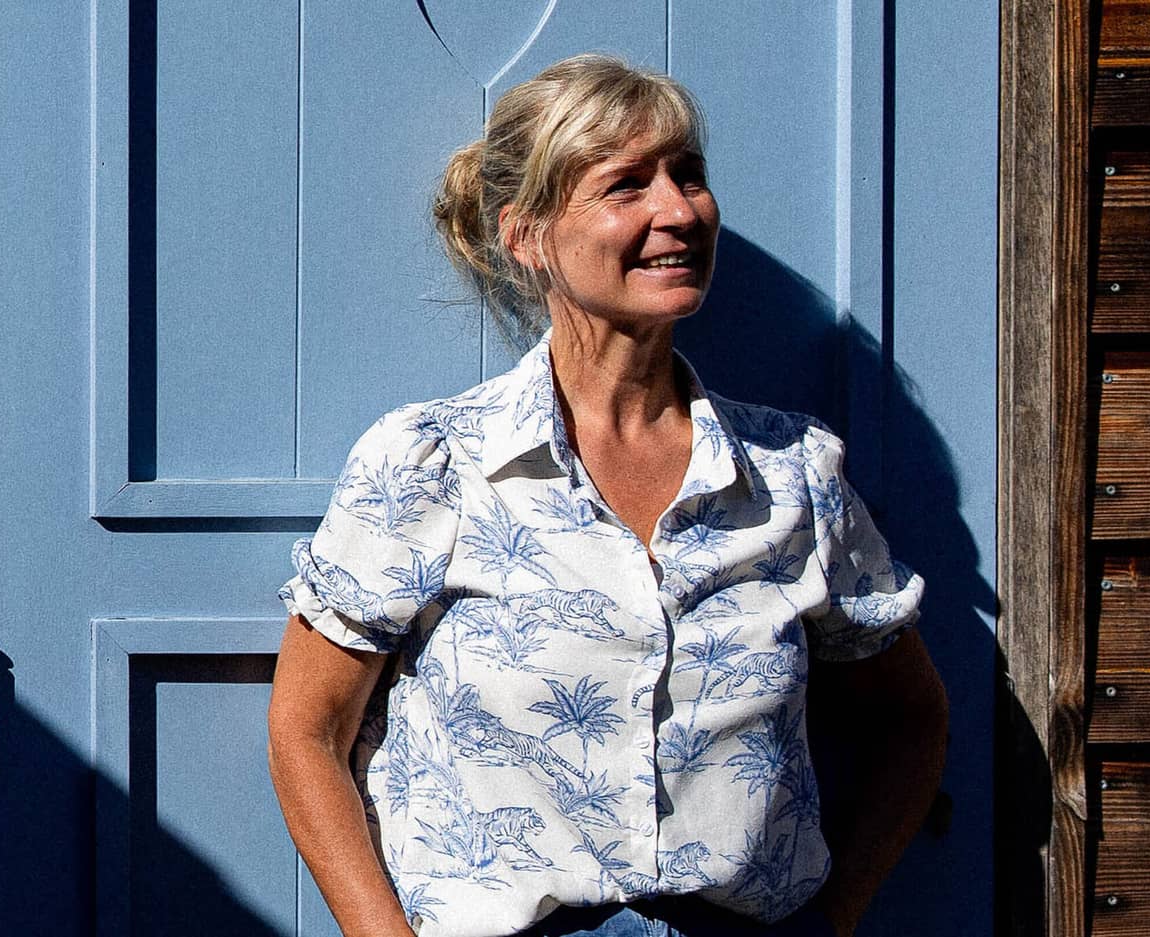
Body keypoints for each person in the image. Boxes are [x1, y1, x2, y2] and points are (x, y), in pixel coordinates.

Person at [268, 54, 948, 937]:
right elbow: (307, 730)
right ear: (528, 236)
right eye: (627, 185)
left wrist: (834, 918)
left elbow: (911, 718)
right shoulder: (434, 463)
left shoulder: (792, 474)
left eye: (688, 175)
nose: (680, 211)